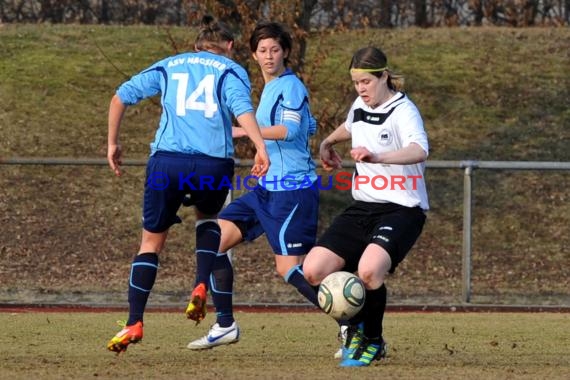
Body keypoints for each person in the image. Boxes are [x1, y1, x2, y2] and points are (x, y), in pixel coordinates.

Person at [106, 15, 270, 354]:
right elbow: (242, 109)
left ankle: (135, 321)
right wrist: (260, 147)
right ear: (229, 46)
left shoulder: (170, 64)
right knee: (208, 221)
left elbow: (121, 96)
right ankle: (199, 285)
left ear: (195, 46)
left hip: (167, 162)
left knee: (150, 243)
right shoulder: (231, 69)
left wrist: (113, 143)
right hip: (213, 162)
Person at [185, 21, 320, 349]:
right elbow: (308, 125)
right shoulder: (273, 88)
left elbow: (289, 130)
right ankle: (226, 324)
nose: (269, 56)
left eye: (275, 49)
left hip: (292, 190)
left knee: (289, 270)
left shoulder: (290, 86)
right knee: (213, 237)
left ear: (286, 52)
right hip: (267, 189)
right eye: (263, 51)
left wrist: (244, 131)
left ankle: (351, 322)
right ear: (255, 55)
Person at [302, 46, 429, 367]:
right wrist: (329, 142)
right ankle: (354, 329)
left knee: (369, 271)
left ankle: (373, 340)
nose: (361, 89)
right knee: (313, 270)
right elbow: (352, 123)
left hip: (402, 209)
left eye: (366, 82)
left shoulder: (404, 110)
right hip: (363, 207)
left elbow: (419, 149)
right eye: (356, 82)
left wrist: (378, 157)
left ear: (384, 76)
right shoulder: (360, 104)